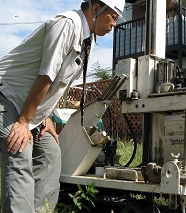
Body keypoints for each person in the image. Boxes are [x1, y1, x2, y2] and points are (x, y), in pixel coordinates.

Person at [0, 0, 125, 212]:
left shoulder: (88, 39)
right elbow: (46, 75)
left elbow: (61, 84)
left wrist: (46, 116)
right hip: (8, 96)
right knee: (19, 149)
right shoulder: (68, 24)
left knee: (50, 153)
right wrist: (23, 121)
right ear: (96, 9)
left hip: (30, 109)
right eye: (113, 17)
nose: (114, 24)